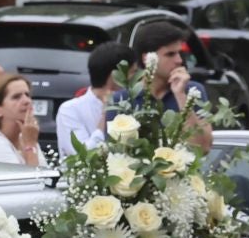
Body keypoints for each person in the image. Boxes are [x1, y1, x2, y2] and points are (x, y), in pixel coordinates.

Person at [134, 19, 214, 151]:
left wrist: (181, 96)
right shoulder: (125, 98)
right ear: (146, 58)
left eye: (179, 53)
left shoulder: (193, 91)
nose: (179, 60)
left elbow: (203, 148)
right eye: (170, 54)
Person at [56, 42, 135, 152]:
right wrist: (107, 113)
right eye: (133, 73)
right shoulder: (70, 109)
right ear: (115, 76)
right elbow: (82, 155)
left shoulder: (133, 104)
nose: (138, 79)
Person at [0, 73, 42, 166]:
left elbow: (48, 179)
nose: (27, 101)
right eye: (16, 97)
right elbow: (31, 179)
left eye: (27, 95)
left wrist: (30, 144)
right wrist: (30, 146)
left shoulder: (26, 138)